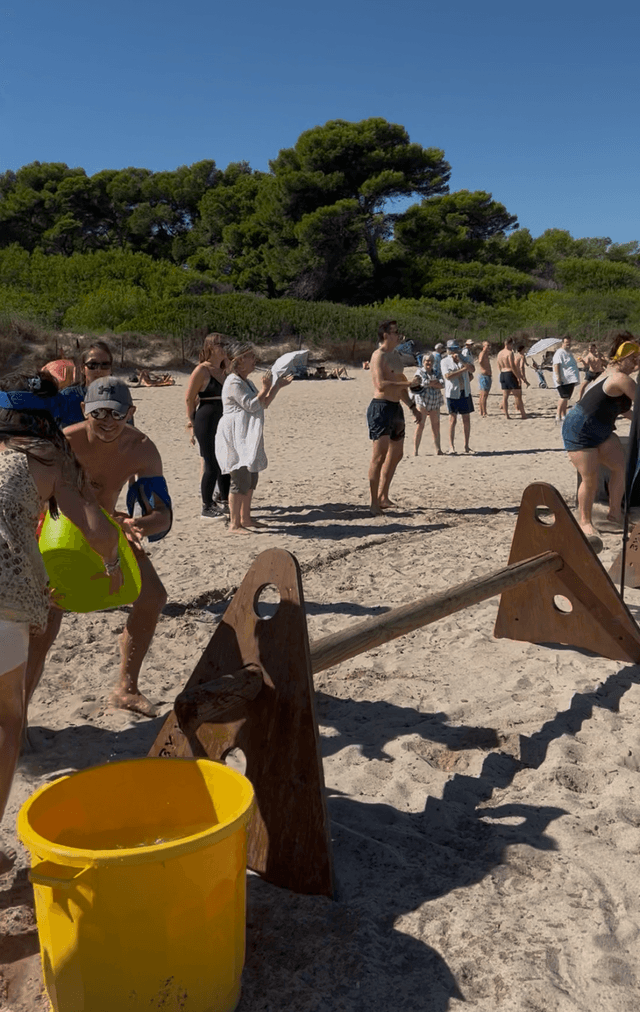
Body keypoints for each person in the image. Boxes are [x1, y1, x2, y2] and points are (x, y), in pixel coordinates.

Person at [0, 372, 121, 872]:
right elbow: (95, 531)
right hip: (5, 599)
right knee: (7, 719)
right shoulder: (47, 458)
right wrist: (113, 565)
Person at [25, 379, 172, 719]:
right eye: (99, 413)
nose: (107, 421)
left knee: (152, 597)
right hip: (56, 530)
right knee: (47, 618)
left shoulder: (142, 449)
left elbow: (162, 515)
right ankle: (19, 715)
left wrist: (141, 525)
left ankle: (126, 688)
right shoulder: (62, 444)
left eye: (116, 414)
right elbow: (30, 500)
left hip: (108, 528)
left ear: (130, 413)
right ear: (83, 410)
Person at [562, 339, 639, 537]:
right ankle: (585, 522)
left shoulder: (611, 374)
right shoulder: (621, 378)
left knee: (620, 468)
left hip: (602, 430)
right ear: (625, 358)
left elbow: (627, 411)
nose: (636, 365)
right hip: (580, 428)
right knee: (590, 479)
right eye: (634, 360)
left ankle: (614, 514)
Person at [215, 343, 292, 533]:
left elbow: (262, 404)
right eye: (249, 356)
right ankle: (235, 524)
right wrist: (265, 388)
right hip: (236, 436)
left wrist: (276, 387)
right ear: (239, 361)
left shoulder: (246, 381)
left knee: (251, 478)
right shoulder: (233, 382)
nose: (254, 359)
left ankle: (246, 518)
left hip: (247, 434)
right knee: (240, 479)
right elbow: (250, 404)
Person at [366, 320, 421, 514]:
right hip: (380, 407)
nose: (398, 335)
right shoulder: (378, 356)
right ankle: (373, 502)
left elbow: (400, 383)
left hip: (396, 407)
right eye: (395, 332)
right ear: (386, 335)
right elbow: (381, 385)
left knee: (396, 454)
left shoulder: (396, 356)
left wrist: (412, 406)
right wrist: (407, 385)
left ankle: (383, 496)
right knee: (378, 456)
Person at [185, 333, 230, 519]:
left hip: (226, 419)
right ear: (211, 347)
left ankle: (225, 499)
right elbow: (189, 398)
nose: (226, 347)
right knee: (211, 463)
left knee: (226, 462)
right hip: (206, 418)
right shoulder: (202, 371)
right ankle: (207, 505)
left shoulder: (226, 370)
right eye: (222, 344)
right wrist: (192, 422)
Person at [55, 341, 114, 428]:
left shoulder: (120, 397)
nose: (99, 370)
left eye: (105, 365)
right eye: (93, 365)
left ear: (110, 369)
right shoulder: (67, 397)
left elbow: (130, 437)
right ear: (82, 368)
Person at [441, 339, 475, 454]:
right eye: (452, 350)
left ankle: (466, 446)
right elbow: (448, 376)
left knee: (466, 419)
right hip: (452, 393)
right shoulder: (445, 361)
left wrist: (462, 361)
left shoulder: (464, 358)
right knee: (452, 419)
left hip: (464, 391)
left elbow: (472, 369)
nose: (454, 352)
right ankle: (451, 446)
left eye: (456, 349)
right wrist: (462, 370)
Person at [410, 353, 444, 455]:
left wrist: (431, 383)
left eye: (430, 361)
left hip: (435, 401)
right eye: (426, 361)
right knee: (420, 425)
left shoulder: (436, 372)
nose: (428, 363)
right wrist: (433, 383)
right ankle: (415, 450)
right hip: (422, 402)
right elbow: (421, 383)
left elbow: (442, 384)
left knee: (436, 425)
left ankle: (438, 449)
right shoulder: (419, 372)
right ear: (423, 362)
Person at [496, 338, 527, 419]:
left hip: (503, 373)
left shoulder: (499, 353)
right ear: (509, 344)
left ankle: (506, 415)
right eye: (512, 344)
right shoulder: (510, 353)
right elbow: (512, 365)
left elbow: (498, 365)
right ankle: (523, 414)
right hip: (510, 373)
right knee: (518, 396)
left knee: (505, 396)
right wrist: (518, 377)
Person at [552, 336, 580, 423]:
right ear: (562, 343)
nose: (568, 344)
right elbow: (556, 365)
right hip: (563, 379)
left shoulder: (569, 352)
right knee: (563, 397)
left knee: (567, 398)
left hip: (570, 379)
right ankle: (557, 414)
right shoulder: (559, 352)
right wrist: (558, 377)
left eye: (569, 343)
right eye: (566, 343)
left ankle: (563, 415)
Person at [476, 341, 492, 417]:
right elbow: (480, 361)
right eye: (487, 346)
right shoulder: (482, 353)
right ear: (483, 346)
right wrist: (483, 368)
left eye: (489, 346)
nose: (489, 347)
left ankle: (482, 410)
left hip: (487, 376)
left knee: (483, 395)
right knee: (483, 395)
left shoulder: (486, 354)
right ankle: (483, 411)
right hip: (484, 376)